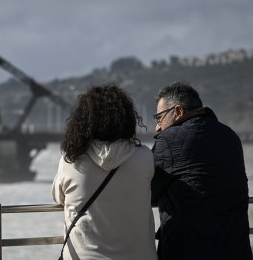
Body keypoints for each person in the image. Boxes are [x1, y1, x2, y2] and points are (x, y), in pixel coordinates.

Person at [52, 84, 157, 260]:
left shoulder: (71, 162)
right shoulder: (144, 157)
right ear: (127, 119)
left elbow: (58, 197)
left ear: (83, 122)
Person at [151, 81, 252, 260]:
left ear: (178, 112)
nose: (157, 127)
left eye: (159, 118)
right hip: (236, 249)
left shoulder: (168, 140)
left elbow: (147, 191)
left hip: (187, 251)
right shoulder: (230, 136)